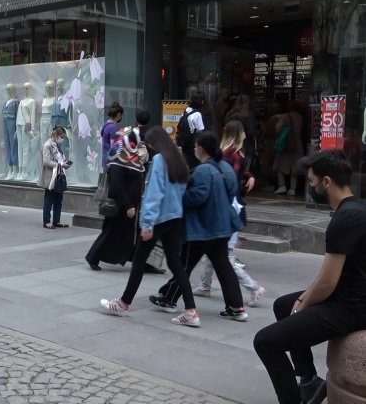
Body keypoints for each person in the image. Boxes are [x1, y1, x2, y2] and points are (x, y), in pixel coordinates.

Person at [254, 150, 366, 404]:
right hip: (350, 295)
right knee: (283, 305)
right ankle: (309, 380)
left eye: (312, 182)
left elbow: (327, 284)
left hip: (352, 307)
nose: (311, 187)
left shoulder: (344, 220)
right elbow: (328, 275)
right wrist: (304, 297)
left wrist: (304, 305)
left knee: (265, 342)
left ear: (327, 182)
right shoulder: (357, 207)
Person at [99, 126, 198, 326]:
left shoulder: (160, 161)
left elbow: (154, 193)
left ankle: (124, 303)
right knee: (176, 265)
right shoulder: (179, 161)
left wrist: (147, 223)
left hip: (158, 219)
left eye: (149, 145)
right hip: (175, 218)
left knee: (138, 261)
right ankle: (191, 311)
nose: (149, 148)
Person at [153, 130, 248, 322]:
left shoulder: (203, 171)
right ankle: (236, 306)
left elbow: (197, 196)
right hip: (222, 227)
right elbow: (231, 193)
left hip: (202, 228)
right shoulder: (226, 168)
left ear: (201, 148)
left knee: (184, 265)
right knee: (223, 266)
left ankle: (168, 298)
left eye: (196, 146)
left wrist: (180, 195)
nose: (194, 149)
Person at [194, 120, 266, 306]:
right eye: (242, 132)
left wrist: (247, 178)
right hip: (232, 207)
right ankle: (204, 285)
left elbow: (229, 181)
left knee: (225, 257)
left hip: (228, 208)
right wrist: (248, 178)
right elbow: (235, 177)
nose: (245, 135)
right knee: (212, 251)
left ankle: (253, 287)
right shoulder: (233, 153)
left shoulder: (230, 154)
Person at [86, 127, 146, 271]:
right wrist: (128, 205)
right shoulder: (118, 158)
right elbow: (116, 186)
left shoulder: (131, 157)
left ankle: (137, 260)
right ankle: (93, 257)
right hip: (121, 206)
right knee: (110, 233)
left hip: (131, 206)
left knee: (125, 234)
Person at [38, 126, 71, 229]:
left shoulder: (58, 145)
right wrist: (60, 165)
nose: (62, 139)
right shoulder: (47, 145)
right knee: (49, 198)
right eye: (61, 137)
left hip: (59, 175)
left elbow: (60, 158)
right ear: (55, 135)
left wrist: (64, 163)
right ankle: (46, 221)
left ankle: (57, 220)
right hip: (51, 176)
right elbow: (46, 161)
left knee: (59, 199)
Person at [273, 100, 304, 196]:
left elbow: (278, 128)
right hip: (297, 143)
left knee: (280, 165)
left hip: (286, 143)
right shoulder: (300, 117)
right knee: (295, 167)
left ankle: (282, 186)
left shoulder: (285, 116)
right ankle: (292, 188)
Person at [177, 91, 206, 169]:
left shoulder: (186, 111)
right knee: (194, 166)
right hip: (193, 145)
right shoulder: (197, 114)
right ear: (202, 102)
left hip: (184, 143)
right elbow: (200, 132)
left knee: (188, 164)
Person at [100, 102, 123, 169]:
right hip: (110, 161)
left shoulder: (106, 124)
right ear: (118, 114)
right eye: (121, 114)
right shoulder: (113, 127)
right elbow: (113, 146)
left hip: (105, 158)